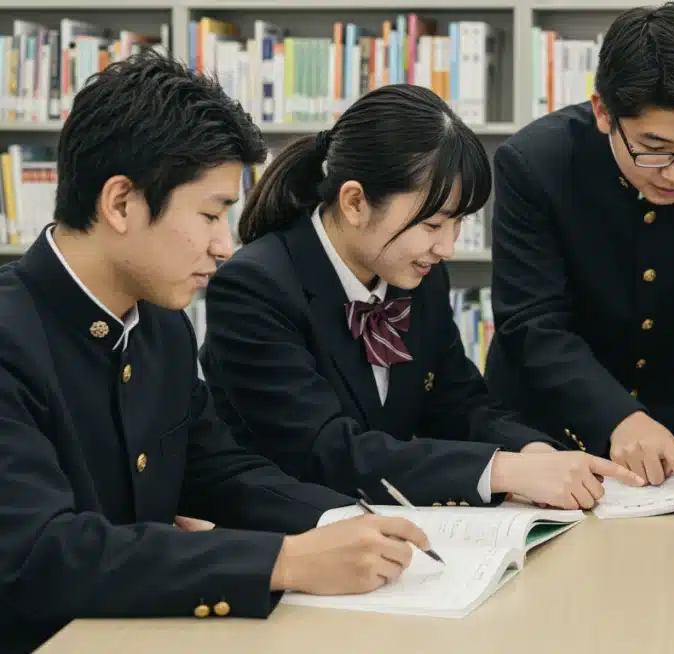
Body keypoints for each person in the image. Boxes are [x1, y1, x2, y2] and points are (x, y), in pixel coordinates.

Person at [0, 51, 438, 654]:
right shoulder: (10, 337)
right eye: (210, 214)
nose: (224, 246)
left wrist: (344, 524)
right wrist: (281, 561)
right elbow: (43, 555)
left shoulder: (161, 326)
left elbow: (217, 471)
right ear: (121, 203)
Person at [198, 84, 644, 513]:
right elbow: (324, 452)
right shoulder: (254, 289)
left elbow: (458, 402)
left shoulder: (418, 277)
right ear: (354, 202)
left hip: (390, 533)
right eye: (432, 226)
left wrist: (534, 451)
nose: (446, 247)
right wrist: (505, 472)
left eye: (458, 224)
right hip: (291, 544)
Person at [485, 2, 674, 488]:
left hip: (673, 414)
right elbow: (531, 322)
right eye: (654, 147)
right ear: (604, 111)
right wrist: (619, 416)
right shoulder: (535, 162)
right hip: (543, 421)